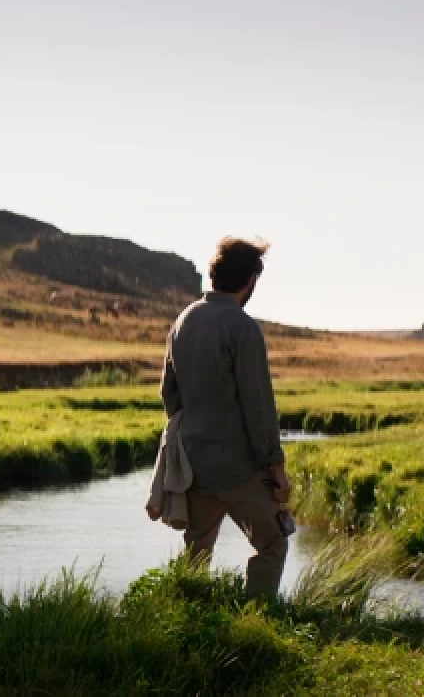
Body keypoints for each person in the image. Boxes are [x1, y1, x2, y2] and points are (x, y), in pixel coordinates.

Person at [158, 237, 291, 599]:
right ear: (250, 280)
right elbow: (258, 405)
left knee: (197, 550)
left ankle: (185, 617)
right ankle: (257, 623)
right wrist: (275, 467)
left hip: (194, 461)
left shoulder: (183, 321)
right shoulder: (242, 327)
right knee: (273, 543)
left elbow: (169, 394)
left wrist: (192, 435)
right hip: (237, 466)